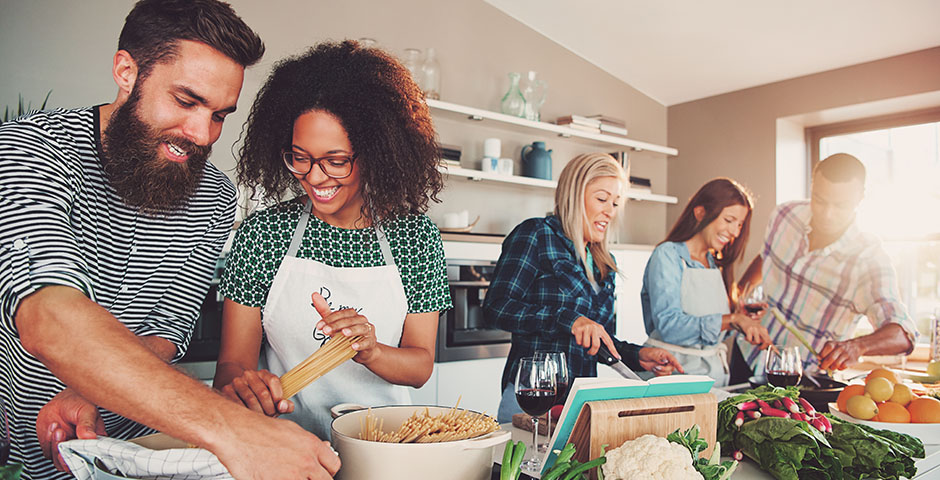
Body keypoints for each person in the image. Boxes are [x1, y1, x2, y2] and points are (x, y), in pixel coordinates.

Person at [0, 1, 341, 479]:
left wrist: (93, 389)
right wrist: (237, 430)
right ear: (125, 71)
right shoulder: (30, 151)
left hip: (150, 449)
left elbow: (164, 333)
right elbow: (49, 317)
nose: (202, 134)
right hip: (33, 450)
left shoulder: (213, 195)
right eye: (186, 101)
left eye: (220, 114)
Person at [212, 41, 452, 441]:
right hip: (287, 443)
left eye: (336, 160)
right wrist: (245, 389)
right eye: (300, 157)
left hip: (384, 447)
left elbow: (420, 366)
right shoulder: (263, 234)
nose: (315, 177)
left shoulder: (415, 237)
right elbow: (232, 365)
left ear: (375, 153)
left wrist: (371, 350)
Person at [483, 152, 683, 422]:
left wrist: (638, 356)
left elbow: (599, 341)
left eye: (615, 203)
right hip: (532, 399)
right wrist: (569, 319)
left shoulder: (605, 262)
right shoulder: (536, 235)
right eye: (601, 199)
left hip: (582, 402)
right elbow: (496, 308)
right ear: (574, 195)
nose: (610, 211)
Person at [738, 153, 918, 373]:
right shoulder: (785, 215)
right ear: (812, 186)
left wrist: (857, 346)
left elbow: (904, 334)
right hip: (748, 353)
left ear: (860, 198)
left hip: (803, 378)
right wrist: (739, 294)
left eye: (840, 205)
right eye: (819, 200)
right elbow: (767, 256)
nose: (827, 214)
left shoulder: (868, 259)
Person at [640, 178, 771, 387]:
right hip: (671, 377)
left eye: (740, 225)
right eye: (729, 220)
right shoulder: (668, 255)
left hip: (713, 378)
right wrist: (731, 319)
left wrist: (740, 321)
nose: (735, 232)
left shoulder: (714, 263)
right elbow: (669, 325)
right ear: (700, 213)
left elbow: (710, 330)